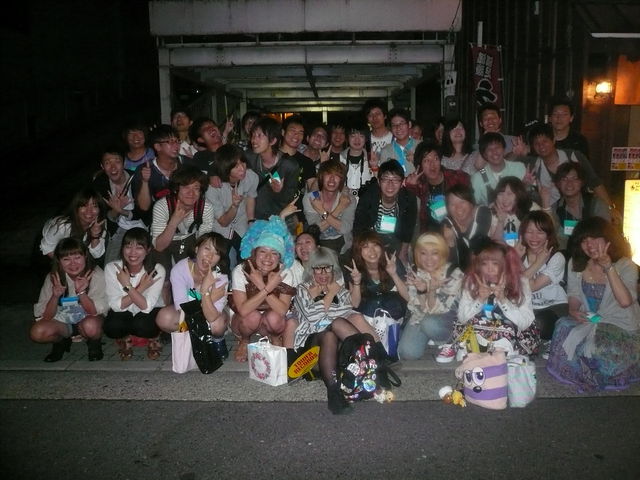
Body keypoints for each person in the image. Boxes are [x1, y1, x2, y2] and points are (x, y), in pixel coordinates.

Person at [547, 217, 640, 391]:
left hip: (620, 323)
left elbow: (625, 301)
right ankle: (581, 370)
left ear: (608, 239)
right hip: (590, 318)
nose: (589, 245)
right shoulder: (576, 263)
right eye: (584, 240)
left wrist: (608, 267)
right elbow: (574, 293)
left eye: (595, 238)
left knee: (600, 345)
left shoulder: (626, 265)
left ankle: (598, 373)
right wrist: (573, 309)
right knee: (562, 326)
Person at [230, 216, 297, 362]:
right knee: (252, 316)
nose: (268, 258)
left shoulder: (285, 272)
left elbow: (282, 310)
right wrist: (267, 289)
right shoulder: (241, 270)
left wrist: (262, 286)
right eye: (263, 251)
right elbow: (243, 310)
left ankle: (275, 337)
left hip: (270, 320)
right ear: (254, 253)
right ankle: (245, 340)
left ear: (280, 257)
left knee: (275, 318)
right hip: (244, 321)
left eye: (274, 253)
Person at [156, 232, 231, 359]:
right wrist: (210, 297)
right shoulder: (180, 269)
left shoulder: (220, 277)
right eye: (207, 248)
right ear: (196, 249)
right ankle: (194, 340)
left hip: (212, 314)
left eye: (216, 253)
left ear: (220, 258)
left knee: (217, 324)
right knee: (164, 317)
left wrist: (205, 291)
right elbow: (181, 308)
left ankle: (217, 340)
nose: (210, 256)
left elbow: (212, 316)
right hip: (189, 312)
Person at [457, 239, 538, 356]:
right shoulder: (472, 281)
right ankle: (484, 353)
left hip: (511, 334)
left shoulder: (520, 282)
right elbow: (462, 318)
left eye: (495, 263)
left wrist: (503, 300)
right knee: (466, 326)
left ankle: (486, 353)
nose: (489, 269)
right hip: (480, 331)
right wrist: (480, 299)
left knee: (506, 329)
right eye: (484, 264)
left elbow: (525, 323)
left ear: (506, 265)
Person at [31, 238, 107, 362]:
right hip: (63, 322)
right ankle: (61, 342)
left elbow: (93, 311)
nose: (73, 264)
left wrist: (81, 293)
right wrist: (55, 296)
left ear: (85, 256)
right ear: (59, 261)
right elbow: (46, 316)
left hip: (88, 318)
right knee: (38, 332)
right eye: (66, 259)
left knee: (91, 326)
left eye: (77, 257)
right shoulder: (54, 277)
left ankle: (94, 344)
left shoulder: (96, 274)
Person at [398, 233, 463, 361]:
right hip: (423, 316)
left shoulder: (454, 273)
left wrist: (431, 290)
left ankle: (451, 341)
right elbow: (418, 308)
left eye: (434, 253)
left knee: (430, 324)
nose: (428, 258)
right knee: (407, 353)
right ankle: (430, 337)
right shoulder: (416, 272)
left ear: (442, 253)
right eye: (423, 253)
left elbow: (437, 311)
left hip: (449, 320)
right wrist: (422, 291)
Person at [103, 228, 165, 360]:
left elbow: (146, 307)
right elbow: (116, 306)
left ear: (148, 250)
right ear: (122, 248)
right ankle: (126, 338)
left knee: (142, 325)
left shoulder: (156, 270)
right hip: (124, 311)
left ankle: (153, 337)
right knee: (112, 327)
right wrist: (141, 287)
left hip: (149, 312)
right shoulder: (112, 268)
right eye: (128, 246)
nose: (132, 252)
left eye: (139, 247)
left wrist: (128, 286)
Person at [529, 123, 616, 215]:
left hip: (583, 211)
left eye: (545, 141)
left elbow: (595, 183)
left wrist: (610, 209)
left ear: (553, 140)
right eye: (536, 143)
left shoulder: (574, 156)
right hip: (553, 214)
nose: (541, 146)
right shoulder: (534, 166)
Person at [516, 211, 568, 357]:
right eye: (529, 232)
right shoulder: (519, 254)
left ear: (548, 234)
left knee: (538, 323)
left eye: (540, 232)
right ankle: (531, 341)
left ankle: (551, 341)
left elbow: (531, 286)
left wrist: (538, 262)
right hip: (528, 307)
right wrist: (517, 259)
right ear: (522, 234)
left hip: (553, 307)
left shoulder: (556, 257)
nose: (534, 237)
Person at [150, 165, 214, 275]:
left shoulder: (206, 207)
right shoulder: (162, 206)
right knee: (163, 275)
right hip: (163, 240)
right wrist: (173, 222)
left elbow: (204, 241)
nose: (191, 193)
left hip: (190, 239)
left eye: (196, 188)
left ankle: (192, 286)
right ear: (176, 189)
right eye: (186, 187)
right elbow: (159, 246)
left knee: (192, 274)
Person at [353, 160, 417, 266]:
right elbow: (358, 228)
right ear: (379, 182)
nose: (390, 184)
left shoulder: (408, 198)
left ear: (402, 183)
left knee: (399, 267)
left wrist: (403, 254)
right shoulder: (368, 196)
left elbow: (408, 229)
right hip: (372, 239)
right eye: (385, 179)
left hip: (396, 239)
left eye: (395, 180)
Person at [344, 231, 409, 331]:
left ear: (381, 247)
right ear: (359, 251)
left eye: (375, 245)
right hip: (368, 317)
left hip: (393, 316)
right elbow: (355, 304)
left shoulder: (391, 261)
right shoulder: (354, 269)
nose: (372, 251)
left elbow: (408, 297)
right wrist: (356, 282)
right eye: (365, 247)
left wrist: (393, 274)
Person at [92, 146, 148, 264]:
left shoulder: (137, 178)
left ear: (124, 163)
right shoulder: (100, 184)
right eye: (108, 163)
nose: (113, 167)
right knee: (110, 264)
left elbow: (145, 211)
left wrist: (123, 211)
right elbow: (106, 216)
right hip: (118, 229)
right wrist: (116, 210)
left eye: (117, 161)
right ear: (102, 166)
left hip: (142, 225)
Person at [205, 144, 258, 267]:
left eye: (243, 162)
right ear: (225, 168)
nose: (242, 168)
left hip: (242, 224)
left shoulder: (251, 176)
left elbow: (251, 197)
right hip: (220, 228)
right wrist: (234, 206)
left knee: (247, 261)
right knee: (221, 264)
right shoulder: (213, 188)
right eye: (235, 166)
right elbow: (223, 222)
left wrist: (251, 221)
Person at [404, 142, 470, 233]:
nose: (432, 164)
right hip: (431, 232)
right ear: (420, 166)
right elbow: (409, 187)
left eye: (436, 159)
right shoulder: (421, 184)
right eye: (426, 160)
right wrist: (410, 184)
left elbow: (470, 206)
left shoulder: (457, 178)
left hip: (457, 229)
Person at [246, 116, 301, 223]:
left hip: (280, 221)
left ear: (272, 140)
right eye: (253, 135)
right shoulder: (249, 158)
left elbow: (289, 200)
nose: (253, 140)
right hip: (255, 221)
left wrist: (279, 192)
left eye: (259, 136)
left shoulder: (289, 165)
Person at [551, 162, 610, 250]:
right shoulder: (555, 208)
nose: (569, 183)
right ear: (558, 184)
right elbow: (555, 240)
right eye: (564, 179)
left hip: (595, 252)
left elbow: (606, 235)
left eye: (574, 179)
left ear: (582, 182)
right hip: (567, 254)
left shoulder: (596, 204)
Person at [40, 187, 107, 262]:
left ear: (100, 209)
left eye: (95, 206)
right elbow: (47, 248)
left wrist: (95, 236)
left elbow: (97, 255)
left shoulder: (100, 224)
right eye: (84, 205)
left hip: (75, 252)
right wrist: (67, 265)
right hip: (48, 247)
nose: (89, 211)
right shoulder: (63, 226)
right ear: (76, 208)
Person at [303, 160, 355, 254]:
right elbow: (315, 230)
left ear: (341, 179)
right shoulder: (311, 198)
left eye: (337, 175)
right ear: (321, 177)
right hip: (318, 243)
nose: (332, 179)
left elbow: (345, 228)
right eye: (328, 174)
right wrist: (339, 208)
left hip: (343, 244)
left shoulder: (348, 199)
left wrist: (321, 211)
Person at [442, 184, 494, 271]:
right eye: (452, 204)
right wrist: (450, 244)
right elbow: (451, 265)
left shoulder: (483, 214)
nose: (458, 207)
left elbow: (478, 248)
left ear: (471, 203)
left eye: (462, 202)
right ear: (448, 209)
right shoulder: (447, 226)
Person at [133, 124, 182, 214]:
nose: (176, 145)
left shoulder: (186, 164)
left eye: (177, 141)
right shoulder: (144, 169)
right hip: (158, 218)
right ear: (157, 147)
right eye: (170, 142)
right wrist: (145, 181)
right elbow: (144, 207)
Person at [470, 132, 526, 206]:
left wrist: (526, 185)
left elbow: (526, 198)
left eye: (497, 147)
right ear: (484, 155)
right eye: (489, 149)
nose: (494, 152)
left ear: (504, 149)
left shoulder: (519, 168)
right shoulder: (477, 178)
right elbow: (473, 205)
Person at [489, 177, 537, 247]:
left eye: (509, 194)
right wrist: (500, 221)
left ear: (519, 195)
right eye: (501, 194)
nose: (504, 199)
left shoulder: (532, 208)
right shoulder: (490, 211)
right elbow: (495, 245)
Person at [339, 120, 373, 197]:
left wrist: (375, 168)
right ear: (347, 138)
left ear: (366, 139)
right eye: (353, 136)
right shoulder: (338, 159)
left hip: (366, 202)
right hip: (343, 201)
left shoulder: (372, 159)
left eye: (361, 136)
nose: (357, 140)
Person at [378, 108, 417, 175]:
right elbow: (383, 177)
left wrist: (417, 161)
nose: (398, 128)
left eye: (401, 123)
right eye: (394, 125)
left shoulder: (421, 146)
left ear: (409, 124)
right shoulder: (386, 151)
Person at [363, 98, 393, 162]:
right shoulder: (364, 139)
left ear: (385, 116)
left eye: (378, 114)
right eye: (370, 115)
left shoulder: (395, 137)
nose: (374, 118)